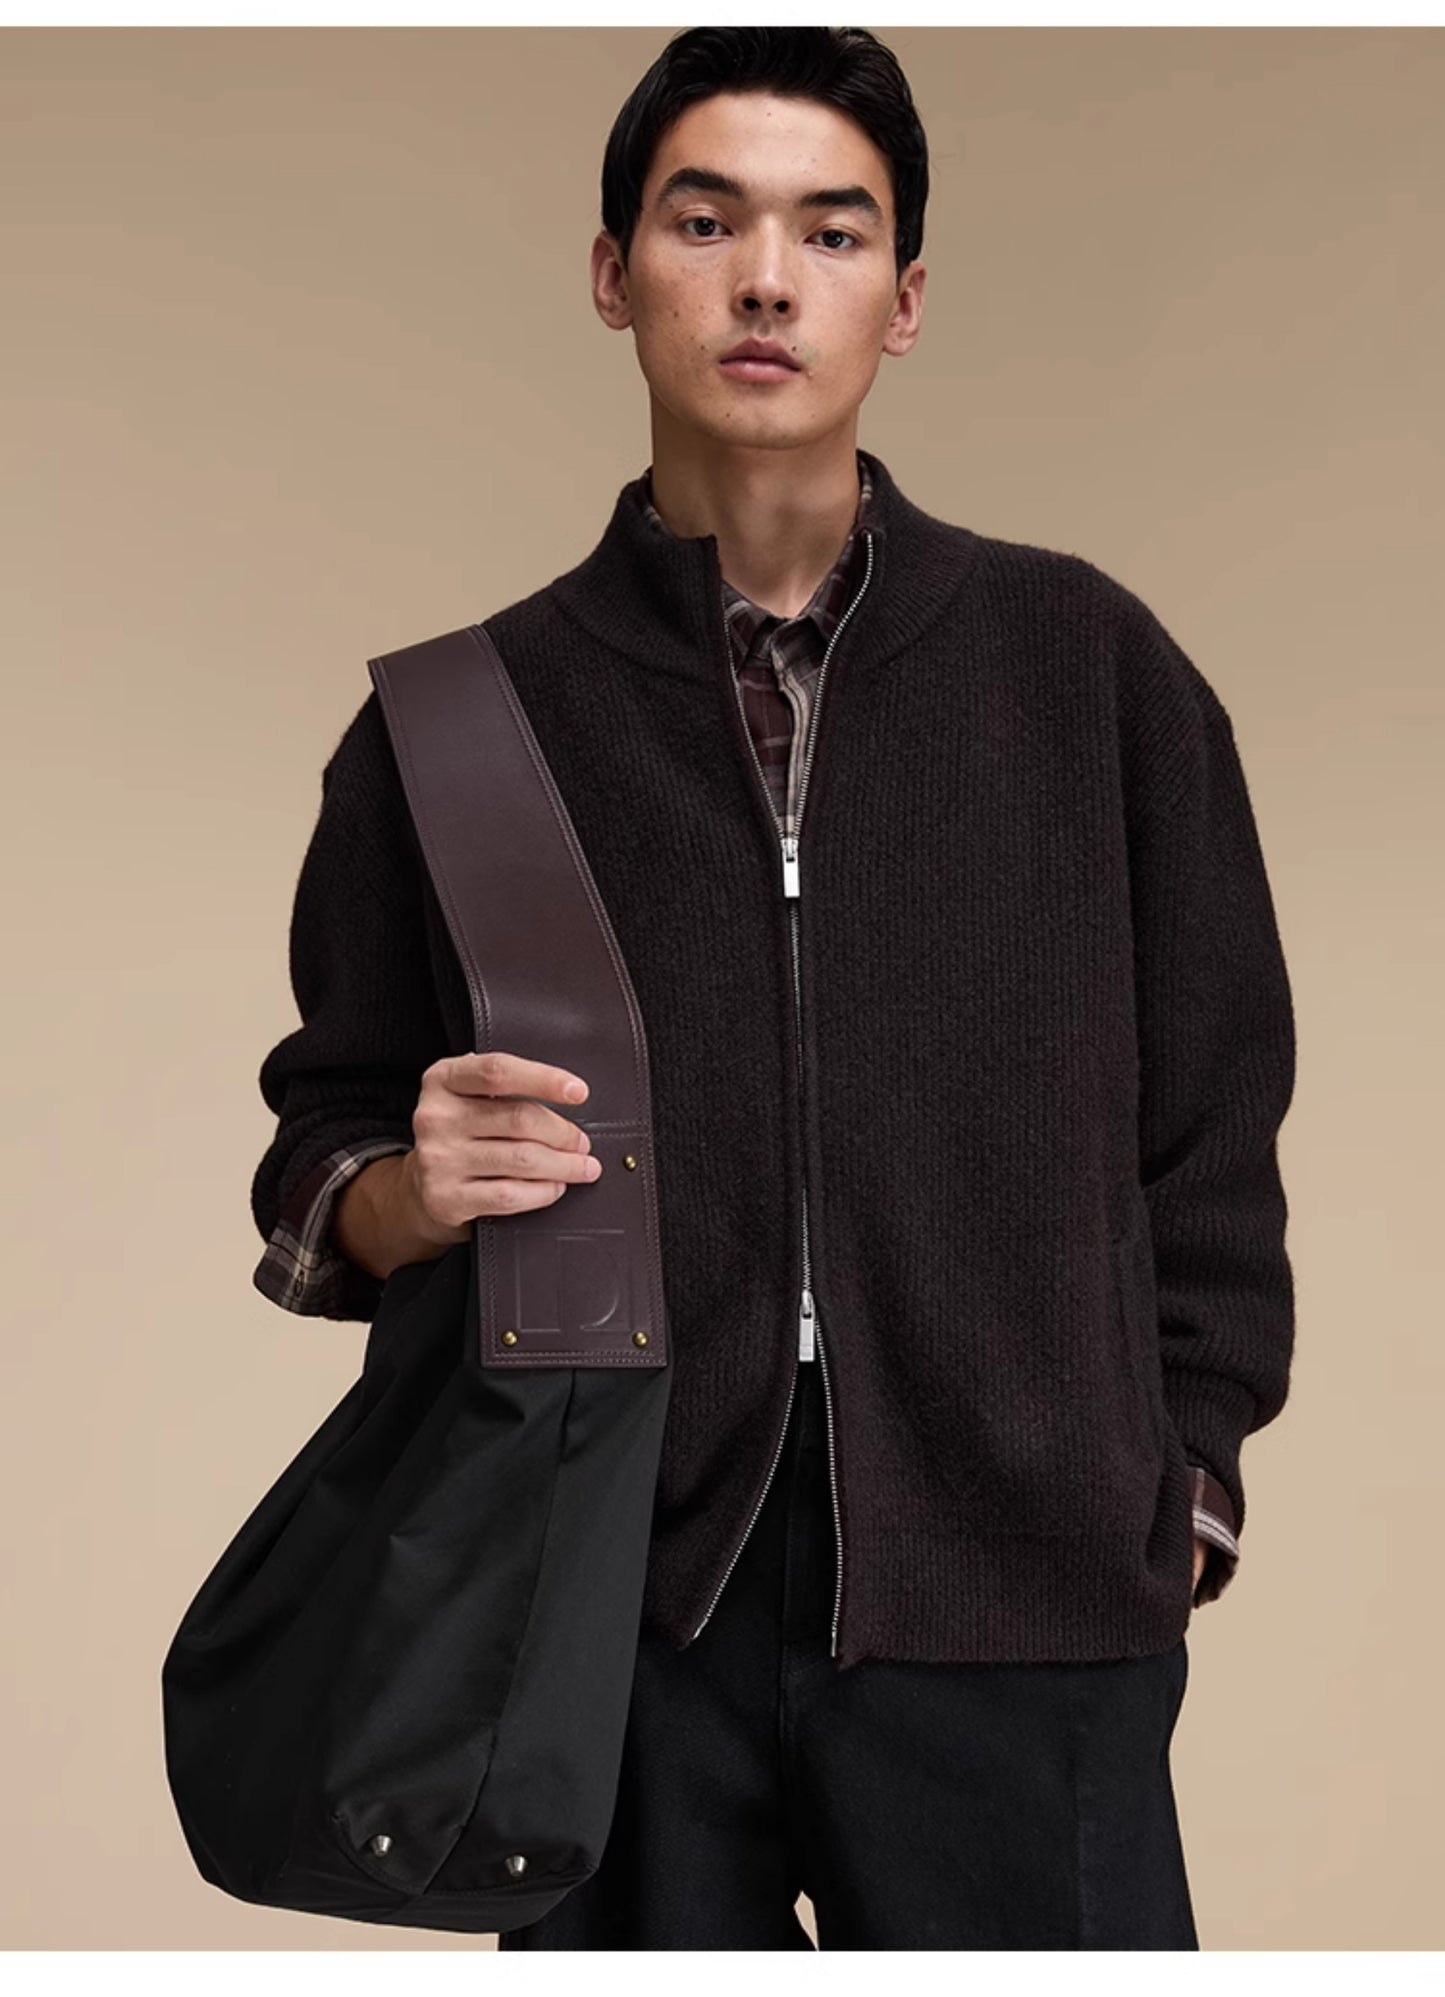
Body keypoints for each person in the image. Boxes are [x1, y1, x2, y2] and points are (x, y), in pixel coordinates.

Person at [248, 27, 1296, 1950]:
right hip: (610, 1605)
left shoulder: (1091, 673)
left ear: (902, 298)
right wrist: (406, 1186)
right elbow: (324, 1148)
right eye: (703, 219)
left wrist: (1184, 1482)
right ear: (610, 271)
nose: (762, 280)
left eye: (830, 231)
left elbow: (1215, 1129)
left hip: (1021, 1597)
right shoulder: (457, 724)